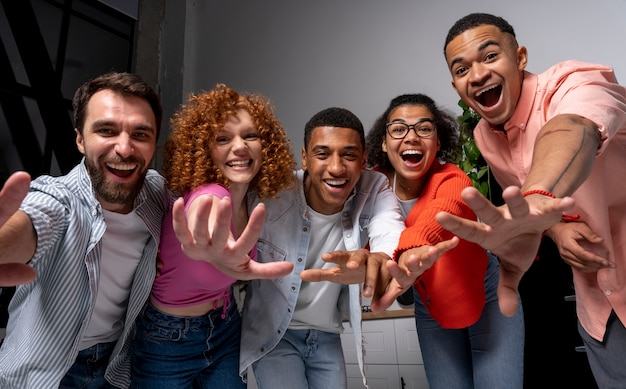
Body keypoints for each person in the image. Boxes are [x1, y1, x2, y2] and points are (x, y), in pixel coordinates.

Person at [437, 12, 626, 388]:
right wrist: (554, 230)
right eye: (461, 69)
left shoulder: (574, 83)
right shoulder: (485, 138)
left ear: (520, 56)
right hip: (601, 311)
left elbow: (573, 129)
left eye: (490, 56)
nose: (476, 75)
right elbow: (532, 210)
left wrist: (539, 196)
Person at [0, 72, 167, 388]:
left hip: (116, 369)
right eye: (106, 130)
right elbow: (32, 221)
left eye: (141, 134)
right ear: (80, 139)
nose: (124, 148)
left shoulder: (157, 192)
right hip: (41, 373)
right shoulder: (57, 199)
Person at [235, 107, 420, 389]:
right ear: (305, 158)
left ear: (363, 160)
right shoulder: (272, 193)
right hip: (275, 336)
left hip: (328, 335)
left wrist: (381, 259)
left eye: (348, 155)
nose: (336, 168)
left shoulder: (375, 187)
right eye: (322, 154)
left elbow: (388, 227)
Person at [130, 84, 296, 388]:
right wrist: (205, 241)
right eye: (223, 139)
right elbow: (202, 211)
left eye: (250, 135)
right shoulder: (211, 194)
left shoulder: (253, 200)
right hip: (167, 337)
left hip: (224, 325)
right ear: (204, 149)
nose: (240, 147)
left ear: (266, 145)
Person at [365, 93, 524, 388]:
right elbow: (363, 237)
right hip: (431, 306)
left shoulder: (451, 178)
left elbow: (441, 215)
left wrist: (409, 252)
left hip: (487, 294)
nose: (411, 137)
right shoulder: (370, 189)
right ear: (384, 143)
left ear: (438, 142)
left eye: (424, 129)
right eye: (399, 129)